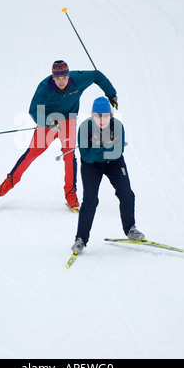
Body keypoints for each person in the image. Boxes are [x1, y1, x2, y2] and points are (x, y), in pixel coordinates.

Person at [0, 61, 118, 209]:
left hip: (69, 121)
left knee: (69, 155)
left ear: (68, 75)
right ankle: (9, 182)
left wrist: (111, 94)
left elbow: (97, 75)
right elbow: (33, 110)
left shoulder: (78, 79)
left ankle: (70, 193)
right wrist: (49, 122)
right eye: (57, 78)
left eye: (64, 78)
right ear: (53, 78)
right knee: (32, 153)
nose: (61, 82)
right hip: (49, 120)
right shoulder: (44, 86)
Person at [71, 96, 145, 252]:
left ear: (110, 115)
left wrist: (97, 149)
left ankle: (130, 229)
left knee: (127, 194)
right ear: (92, 115)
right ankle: (81, 239)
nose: (102, 119)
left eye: (105, 115)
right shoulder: (85, 128)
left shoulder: (117, 126)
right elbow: (86, 156)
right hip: (91, 167)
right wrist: (106, 146)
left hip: (114, 163)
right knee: (90, 200)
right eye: (98, 115)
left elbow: (117, 153)